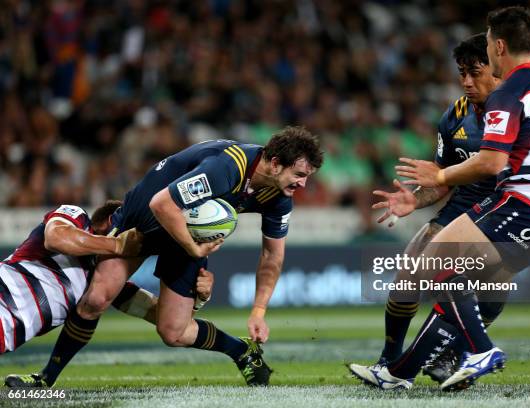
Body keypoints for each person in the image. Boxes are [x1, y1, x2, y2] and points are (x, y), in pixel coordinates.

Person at [350, 6, 530, 391]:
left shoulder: (510, 91)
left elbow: (491, 163)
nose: (469, 79)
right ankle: (399, 371)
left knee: (440, 268)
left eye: (489, 43)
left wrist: (440, 174)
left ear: (499, 46)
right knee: (451, 276)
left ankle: (479, 350)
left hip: (521, 205)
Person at [9, 126, 323, 388]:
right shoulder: (226, 167)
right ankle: (45, 380)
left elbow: (272, 255)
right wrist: (193, 249)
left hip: (185, 227)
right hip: (146, 214)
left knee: (174, 332)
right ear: (275, 162)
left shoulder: (279, 196)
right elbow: (163, 204)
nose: (303, 184)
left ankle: (241, 351)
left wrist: (258, 310)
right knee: (96, 298)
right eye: (299, 174)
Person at [349, 33, 507, 386]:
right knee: (407, 276)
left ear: (497, 72)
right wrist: (415, 198)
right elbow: (442, 178)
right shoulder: (454, 116)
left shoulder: (517, 111)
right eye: (461, 73)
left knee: (490, 290)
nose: (466, 81)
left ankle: (456, 358)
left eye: (475, 72)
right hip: (462, 207)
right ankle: (390, 361)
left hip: (504, 210)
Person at [0, 201, 146, 355]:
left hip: (7, 334)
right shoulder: (77, 218)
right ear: (109, 222)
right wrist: (116, 244)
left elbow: (160, 316)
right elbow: (55, 238)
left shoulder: (100, 283)